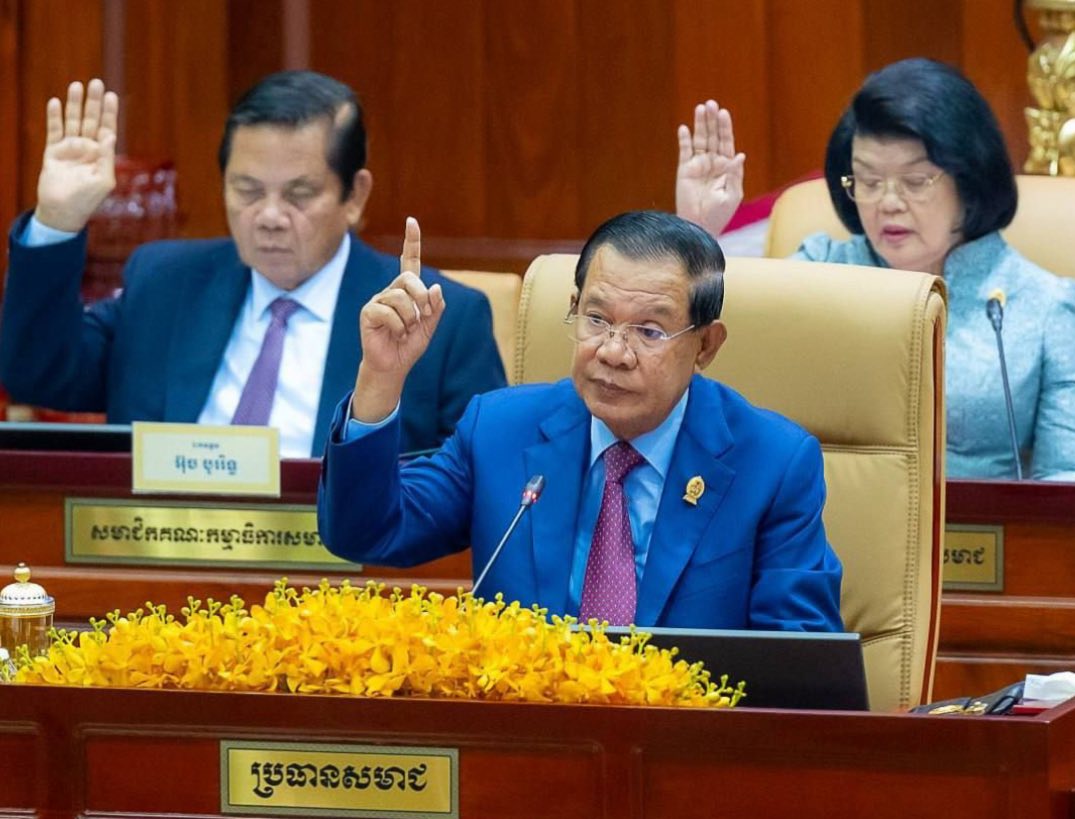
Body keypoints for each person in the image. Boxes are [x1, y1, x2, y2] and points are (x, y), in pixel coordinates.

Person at [318, 210, 843, 631]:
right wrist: (380, 378)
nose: (613, 352)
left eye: (649, 332)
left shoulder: (773, 463)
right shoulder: (499, 430)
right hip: (528, 723)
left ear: (706, 345)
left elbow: (799, 657)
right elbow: (365, 533)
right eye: (597, 319)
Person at [0, 72, 506, 457]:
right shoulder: (164, 284)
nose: (268, 217)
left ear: (354, 196)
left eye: (299, 194)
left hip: (336, 563)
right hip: (165, 551)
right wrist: (57, 222)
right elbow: (36, 375)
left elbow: (477, 486)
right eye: (247, 190)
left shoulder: (440, 322)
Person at [676, 59, 1075, 481]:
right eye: (868, 182)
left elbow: (1063, 481)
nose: (888, 203)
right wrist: (697, 232)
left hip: (973, 523)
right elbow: (706, 348)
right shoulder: (821, 271)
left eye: (915, 181)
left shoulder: (1046, 306)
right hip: (823, 516)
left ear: (969, 180)